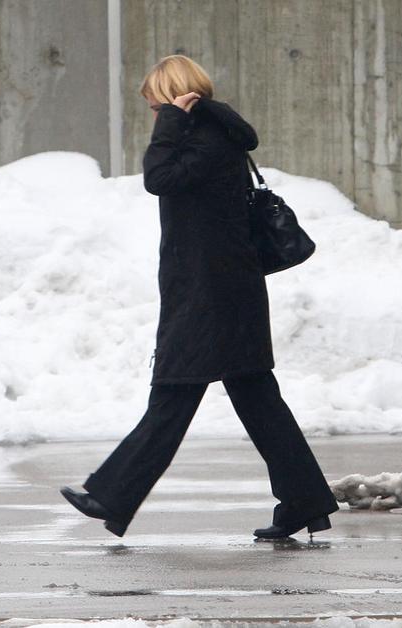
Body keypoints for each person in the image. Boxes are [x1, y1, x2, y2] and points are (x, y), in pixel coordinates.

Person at [59, 54, 338, 540]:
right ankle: (305, 501)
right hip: (222, 288)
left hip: (210, 295)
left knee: (174, 393)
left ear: (175, 99)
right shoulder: (213, 136)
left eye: (156, 106)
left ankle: (112, 495)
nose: (154, 116)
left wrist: (169, 124)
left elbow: (158, 179)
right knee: (258, 401)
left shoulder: (206, 140)